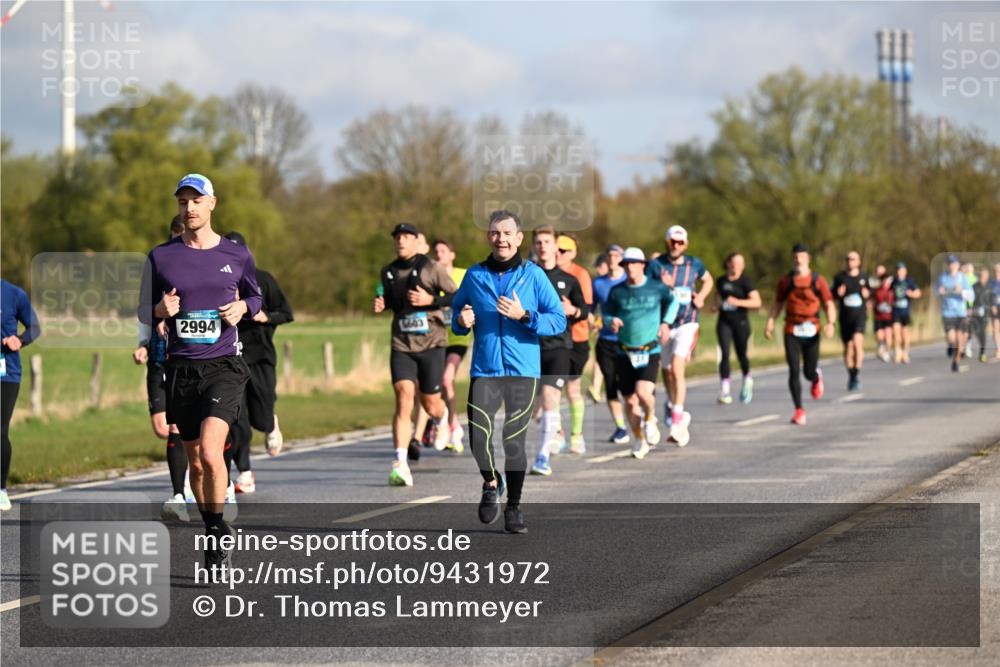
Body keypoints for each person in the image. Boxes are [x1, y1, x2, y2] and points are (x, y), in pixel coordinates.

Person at [139, 173, 262, 570]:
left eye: (196, 200)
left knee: (211, 453)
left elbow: (256, 295)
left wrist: (243, 308)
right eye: (182, 202)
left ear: (212, 203)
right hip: (181, 370)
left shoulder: (236, 255)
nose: (188, 208)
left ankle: (216, 529)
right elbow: (142, 308)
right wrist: (159, 311)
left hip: (224, 366)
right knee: (195, 462)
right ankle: (214, 528)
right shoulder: (161, 257)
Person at [451, 210, 565, 534]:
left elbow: (557, 320)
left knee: (513, 441)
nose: (501, 238)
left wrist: (525, 314)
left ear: (518, 239)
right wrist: (460, 321)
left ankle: (513, 507)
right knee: (477, 439)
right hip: (485, 368)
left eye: (507, 233)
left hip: (522, 370)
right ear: (489, 237)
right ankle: (491, 481)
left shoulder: (535, 276)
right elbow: (457, 311)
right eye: (495, 233)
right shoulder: (474, 275)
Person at [373, 223, 455, 486]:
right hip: (402, 345)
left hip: (432, 344)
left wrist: (431, 301)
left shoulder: (433, 268)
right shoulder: (388, 271)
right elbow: (392, 301)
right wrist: (382, 304)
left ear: (417, 241)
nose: (401, 241)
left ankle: (443, 419)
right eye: (397, 237)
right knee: (403, 396)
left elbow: (458, 296)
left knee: (430, 403)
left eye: (407, 237)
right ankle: (400, 462)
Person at [224, 231, 294, 494]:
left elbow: (287, 314)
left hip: (262, 356)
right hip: (231, 358)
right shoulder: (217, 281)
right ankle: (245, 473)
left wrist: (266, 317)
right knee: (236, 419)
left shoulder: (264, 280)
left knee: (261, 417)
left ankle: (270, 423)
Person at [135, 216, 192, 521]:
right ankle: (187, 479)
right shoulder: (159, 264)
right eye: (174, 236)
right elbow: (143, 308)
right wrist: (144, 342)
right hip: (159, 356)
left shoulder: (201, 264)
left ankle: (180, 493)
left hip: (190, 357)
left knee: (180, 427)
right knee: (163, 427)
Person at [603, 248, 678, 459]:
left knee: (644, 393)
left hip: (649, 349)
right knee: (629, 401)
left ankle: (651, 418)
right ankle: (639, 439)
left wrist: (665, 323)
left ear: (643, 265)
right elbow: (607, 313)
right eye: (626, 264)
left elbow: (673, 301)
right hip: (624, 351)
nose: (630, 267)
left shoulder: (656, 287)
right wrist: (611, 321)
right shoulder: (617, 291)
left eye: (634, 263)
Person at [646, 225, 713, 447]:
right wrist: (661, 286)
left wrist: (702, 296)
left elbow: (709, 280)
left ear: (686, 244)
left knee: (677, 367)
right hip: (665, 324)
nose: (676, 245)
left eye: (680, 242)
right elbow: (645, 288)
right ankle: (675, 406)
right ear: (667, 242)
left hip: (688, 322)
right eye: (673, 241)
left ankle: (677, 418)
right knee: (667, 373)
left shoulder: (695, 263)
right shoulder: (656, 265)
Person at [529, 227, 586, 476]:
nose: (542, 246)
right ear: (534, 246)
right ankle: (554, 432)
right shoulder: (524, 278)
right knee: (534, 409)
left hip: (559, 348)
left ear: (555, 247)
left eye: (547, 242)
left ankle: (542, 457)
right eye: (538, 242)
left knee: (551, 397)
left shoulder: (569, 280)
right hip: (529, 348)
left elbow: (584, 311)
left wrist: (572, 310)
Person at [764, 243, 836, 426]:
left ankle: (815, 376)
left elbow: (828, 303)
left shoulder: (817, 280)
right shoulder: (786, 281)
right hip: (792, 329)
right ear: (792, 259)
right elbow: (778, 303)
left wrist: (830, 323)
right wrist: (770, 322)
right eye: (795, 257)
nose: (798, 260)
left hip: (812, 328)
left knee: (808, 371)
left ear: (808, 258)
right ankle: (799, 410)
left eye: (801, 256)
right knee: (794, 370)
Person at [0, 279, 41, 512]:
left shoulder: (14, 294)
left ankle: (1, 489)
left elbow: (35, 327)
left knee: (0, 428)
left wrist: (20, 340)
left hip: (5, 373)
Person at [556, 233, 594, 455]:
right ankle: (557, 433)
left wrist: (572, 310)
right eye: (557, 249)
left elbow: (586, 307)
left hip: (577, 338)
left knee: (572, 389)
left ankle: (576, 436)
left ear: (573, 253)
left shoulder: (580, 274)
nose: (559, 254)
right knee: (549, 388)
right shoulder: (542, 272)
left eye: (564, 251)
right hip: (550, 340)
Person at [432, 238, 470, 453]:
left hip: (457, 338)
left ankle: (450, 424)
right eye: (436, 251)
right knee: (436, 383)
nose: (439, 255)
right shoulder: (431, 276)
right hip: (436, 338)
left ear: (452, 255)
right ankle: (452, 425)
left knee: (447, 379)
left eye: (443, 251)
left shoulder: (463, 275)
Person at [591, 244, 630, 443]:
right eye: (610, 255)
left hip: (629, 341)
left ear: (622, 258)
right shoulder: (598, 283)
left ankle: (643, 419)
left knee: (629, 386)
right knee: (610, 384)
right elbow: (591, 310)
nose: (613, 258)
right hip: (606, 340)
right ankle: (620, 427)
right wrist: (594, 321)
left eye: (617, 255)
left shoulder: (629, 280)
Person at [714, 252, 761, 404]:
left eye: (741, 263)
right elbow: (718, 297)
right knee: (725, 354)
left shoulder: (745, 282)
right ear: (728, 263)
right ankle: (725, 391)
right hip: (724, 322)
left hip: (741, 322)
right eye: (735, 263)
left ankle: (747, 378)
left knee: (741, 354)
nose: (738, 266)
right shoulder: (721, 281)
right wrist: (717, 305)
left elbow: (757, 302)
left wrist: (738, 302)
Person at [832, 251, 871, 391]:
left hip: (859, 316)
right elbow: (831, 296)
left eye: (853, 259)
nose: (850, 261)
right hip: (845, 318)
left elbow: (870, 292)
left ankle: (856, 372)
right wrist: (838, 293)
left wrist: (868, 294)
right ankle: (852, 375)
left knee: (857, 343)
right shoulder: (839, 278)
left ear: (858, 261)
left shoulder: (864, 277)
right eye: (848, 259)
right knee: (848, 348)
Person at [938, 255, 971, 373]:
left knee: (960, 339)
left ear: (957, 265)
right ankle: (950, 345)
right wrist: (940, 292)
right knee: (951, 338)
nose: (952, 266)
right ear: (948, 265)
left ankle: (956, 362)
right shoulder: (943, 278)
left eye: (954, 263)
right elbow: (937, 292)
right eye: (950, 263)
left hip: (960, 312)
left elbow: (971, 295)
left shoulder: (963, 278)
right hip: (947, 312)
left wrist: (961, 291)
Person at [890, 262, 921, 364]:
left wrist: (911, 293)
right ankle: (898, 351)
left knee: (905, 334)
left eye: (901, 270)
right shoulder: (894, 281)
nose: (899, 272)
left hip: (905, 311)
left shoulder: (909, 281)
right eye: (898, 270)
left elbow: (918, 293)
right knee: (895, 332)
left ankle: (905, 353)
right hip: (896, 311)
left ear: (905, 271)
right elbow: (888, 293)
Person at [871, 265, 895, 362]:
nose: (885, 282)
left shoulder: (892, 291)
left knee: (888, 339)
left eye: (887, 280)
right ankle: (881, 349)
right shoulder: (877, 291)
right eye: (884, 280)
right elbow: (872, 302)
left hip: (889, 317)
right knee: (880, 337)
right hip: (879, 317)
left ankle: (886, 351)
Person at [971, 267, 993, 363]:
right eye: (982, 275)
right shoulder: (974, 286)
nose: (984, 277)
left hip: (986, 312)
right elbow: (969, 299)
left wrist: (993, 306)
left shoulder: (989, 286)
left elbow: (993, 297)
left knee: (983, 330)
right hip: (975, 312)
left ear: (987, 277)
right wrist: (969, 308)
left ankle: (982, 352)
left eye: (985, 276)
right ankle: (982, 347)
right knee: (977, 331)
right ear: (980, 276)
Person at [992, 263, 1000, 359]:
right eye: (996, 271)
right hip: (995, 308)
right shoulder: (992, 283)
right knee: (995, 329)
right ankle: (998, 349)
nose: (997, 273)